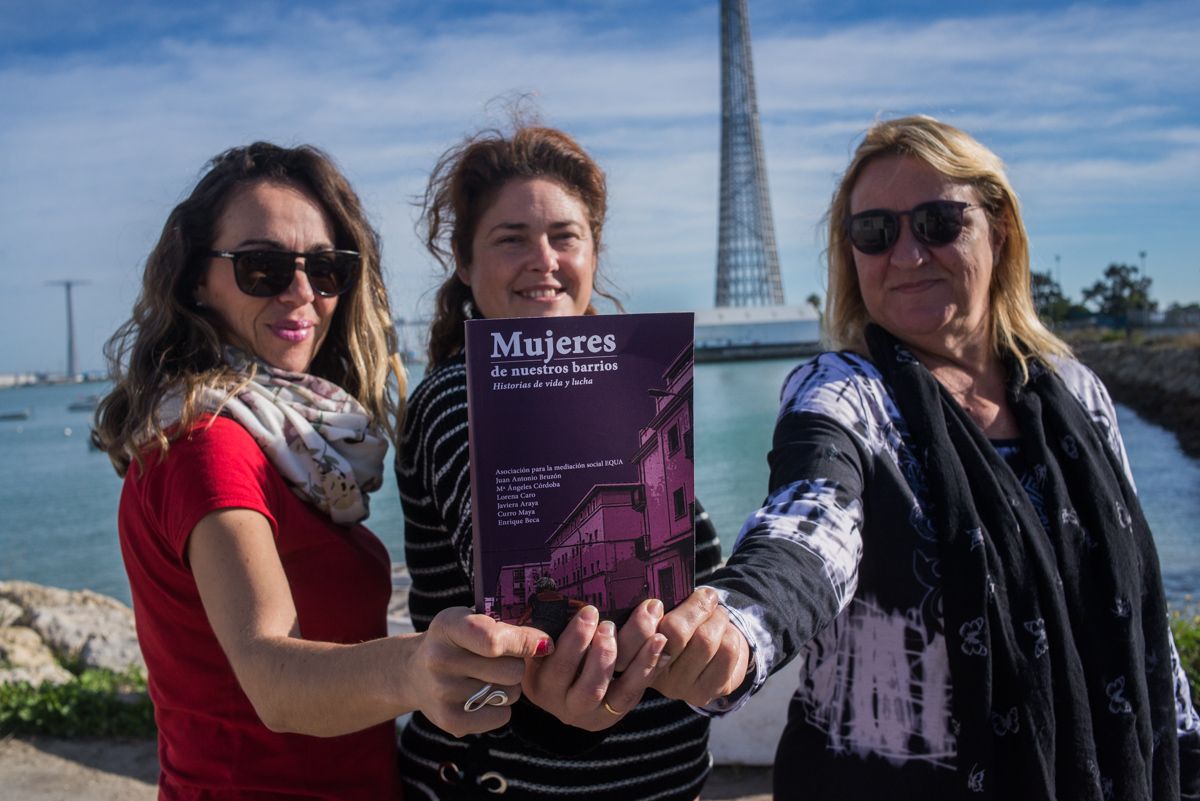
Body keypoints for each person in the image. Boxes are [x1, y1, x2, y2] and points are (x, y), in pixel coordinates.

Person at [650, 115, 1200, 800]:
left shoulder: (1076, 395)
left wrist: (1185, 749)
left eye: (938, 223)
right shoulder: (846, 394)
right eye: (875, 233)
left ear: (998, 230)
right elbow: (808, 527)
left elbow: (1138, 599)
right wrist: (738, 624)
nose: (907, 255)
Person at [93, 142, 557, 800]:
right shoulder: (209, 443)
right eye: (263, 267)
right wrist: (419, 667)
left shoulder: (286, 442)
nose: (302, 292)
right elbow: (272, 674)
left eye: (326, 268)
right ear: (198, 277)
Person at [396, 124, 723, 800]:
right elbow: (531, 620)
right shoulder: (458, 398)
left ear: (594, 253)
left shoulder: (636, 394)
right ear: (464, 261)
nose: (542, 260)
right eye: (511, 238)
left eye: (564, 237)